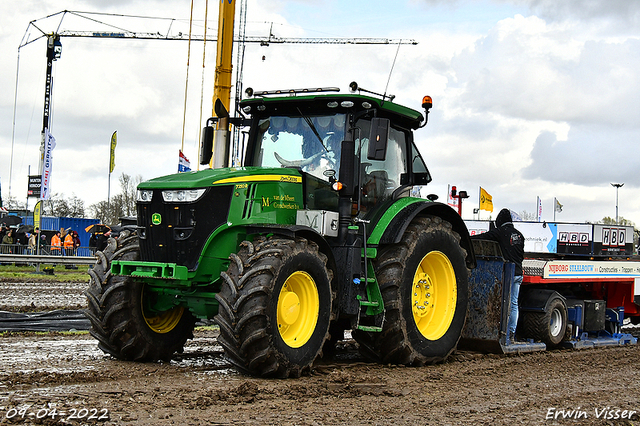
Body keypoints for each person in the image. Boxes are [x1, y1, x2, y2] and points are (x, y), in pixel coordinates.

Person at [471, 208, 524, 343]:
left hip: (507, 274)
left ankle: (500, 333)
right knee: (513, 304)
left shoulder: (500, 232)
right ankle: (511, 334)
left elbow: (482, 237)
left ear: (500, 221)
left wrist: (466, 238)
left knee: (500, 303)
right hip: (518, 273)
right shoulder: (520, 235)